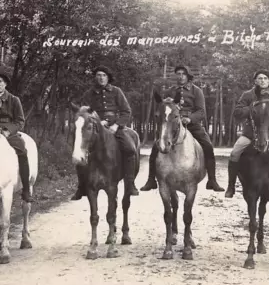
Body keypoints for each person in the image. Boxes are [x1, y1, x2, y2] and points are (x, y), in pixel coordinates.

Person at [139, 65, 225, 192]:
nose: (180, 76)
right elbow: (164, 108)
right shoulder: (170, 91)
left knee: (207, 145)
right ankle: (151, 180)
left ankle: (212, 180)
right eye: (178, 73)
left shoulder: (196, 91)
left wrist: (190, 118)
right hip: (172, 124)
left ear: (188, 76)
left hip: (191, 124)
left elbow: (201, 112)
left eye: (183, 74)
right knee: (156, 146)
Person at [224, 70, 269, 200]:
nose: (262, 80)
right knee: (235, 153)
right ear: (255, 81)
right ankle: (231, 186)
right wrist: (251, 108)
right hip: (251, 132)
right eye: (260, 78)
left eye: (265, 78)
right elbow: (237, 111)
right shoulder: (248, 95)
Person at [70, 65, 139, 200]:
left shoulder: (116, 91)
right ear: (95, 78)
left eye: (103, 75)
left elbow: (126, 111)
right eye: (98, 75)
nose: (101, 78)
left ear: (108, 78)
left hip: (115, 127)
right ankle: (81, 186)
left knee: (130, 149)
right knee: (80, 150)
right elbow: (83, 112)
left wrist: (116, 125)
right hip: (95, 128)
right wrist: (96, 122)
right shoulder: (89, 93)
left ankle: (130, 184)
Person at [0, 68, 32, 203]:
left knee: (21, 150)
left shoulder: (14, 100)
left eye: (0, 82)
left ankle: (26, 189)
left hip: (7, 132)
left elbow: (20, 121)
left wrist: (8, 130)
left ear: (5, 84)